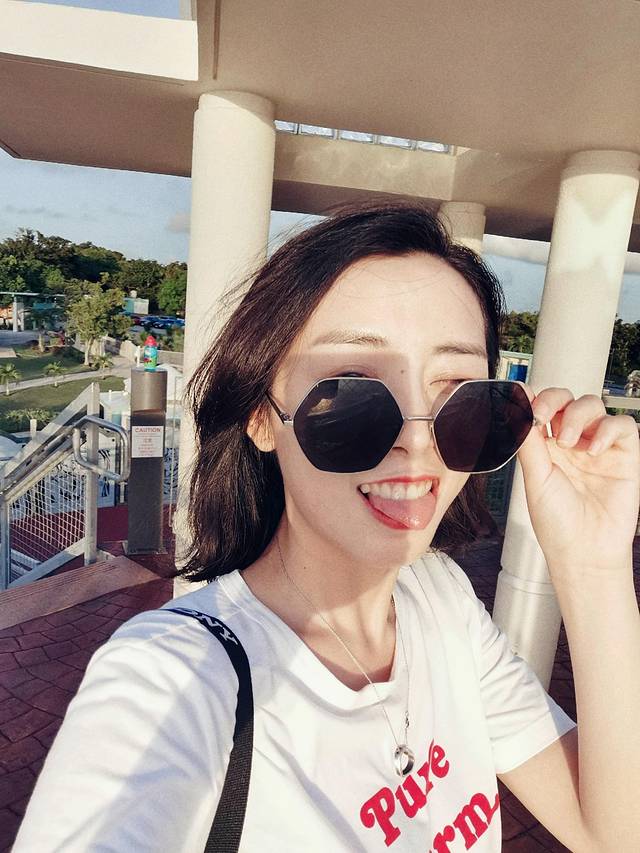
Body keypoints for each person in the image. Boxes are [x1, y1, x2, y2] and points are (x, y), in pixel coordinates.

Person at [13, 201, 640, 852]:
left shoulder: (442, 601)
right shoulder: (167, 684)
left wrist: (593, 564)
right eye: (351, 389)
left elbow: (615, 834)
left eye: (456, 389)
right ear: (262, 417)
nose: (417, 442)